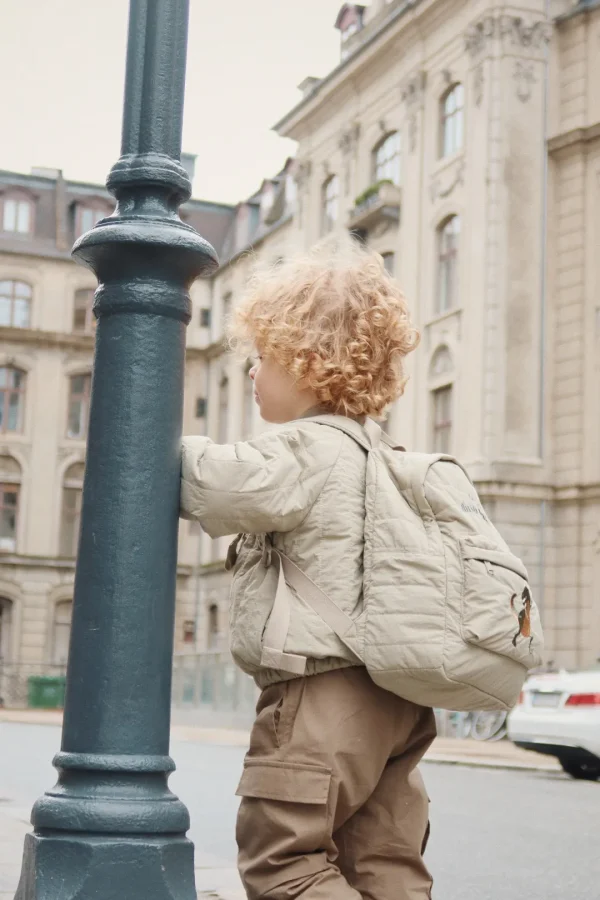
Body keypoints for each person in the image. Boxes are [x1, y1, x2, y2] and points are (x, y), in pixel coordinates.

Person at [180, 237, 436, 900]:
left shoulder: (307, 450)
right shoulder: (382, 455)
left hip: (322, 698)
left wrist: (142, 429)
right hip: (399, 699)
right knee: (384, 863)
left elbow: (211, 484)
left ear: (309, 360)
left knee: (284, 861)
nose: (252, 374)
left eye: (262, 358)